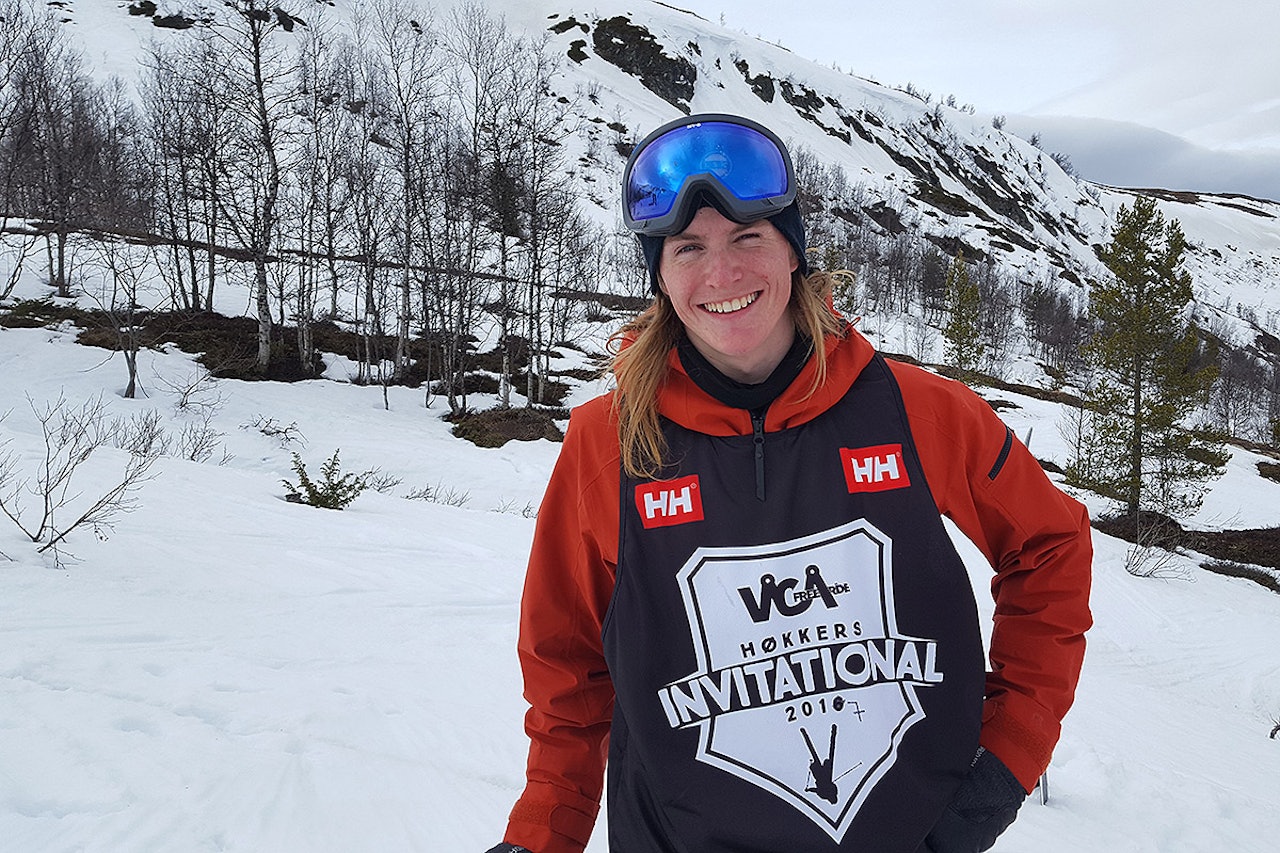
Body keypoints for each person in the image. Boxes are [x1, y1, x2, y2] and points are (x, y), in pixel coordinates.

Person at [485, 113, 1092, 853]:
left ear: (793, 250)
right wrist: (542, 832)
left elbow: (1051, 543)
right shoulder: (607, 444)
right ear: (660, 274)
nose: (723, 274)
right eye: (688, 249)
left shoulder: (915, 411)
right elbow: (565, 663)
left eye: (748, 238)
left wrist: (1006, 762)